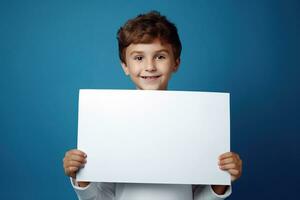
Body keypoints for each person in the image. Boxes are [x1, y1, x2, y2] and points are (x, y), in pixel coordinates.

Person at [63, 11, 242, 200]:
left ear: (176, 63)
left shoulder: (194, 122)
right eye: (139, 58)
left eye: (160, 57)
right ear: (125, 66)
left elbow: (199, 194)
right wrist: (82, 177)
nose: (150, 66)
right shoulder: (111, 122)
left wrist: (221, 180)